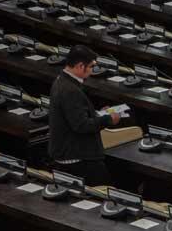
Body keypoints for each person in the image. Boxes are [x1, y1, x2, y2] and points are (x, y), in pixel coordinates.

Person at [48, 45, 121, 186]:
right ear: (81, 66)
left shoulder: (61, 81)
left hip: (66, 153)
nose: (93, 70)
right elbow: (81, 125)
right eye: (91, 66)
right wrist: (108, 119)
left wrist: (97, 114)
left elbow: (74, 114)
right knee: (105, 192)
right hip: (77, 159)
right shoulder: (70, 90)